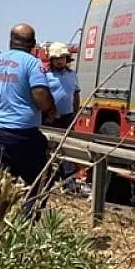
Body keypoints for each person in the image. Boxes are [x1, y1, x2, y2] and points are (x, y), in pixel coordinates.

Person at [0, 24, 56, 188]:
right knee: (40, 181)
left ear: (10, 41)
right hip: (24, 133)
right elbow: (40, 95)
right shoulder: (32, 63)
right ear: (33, 44)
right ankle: (30, 212)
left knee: (1, 185)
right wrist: (52, 110)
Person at [44, 43, 81, 182]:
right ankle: (47, 178)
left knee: (67, 149)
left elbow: (76, 95)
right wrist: (48, 112)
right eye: (56, 58)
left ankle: (68, 180)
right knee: (47, 148)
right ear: (51, 60)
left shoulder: (72, 75)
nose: (60, 60)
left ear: (67, 59)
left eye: (63, 57)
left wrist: (76, 114)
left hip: (67, 117)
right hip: (49, 118)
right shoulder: (45, 75)